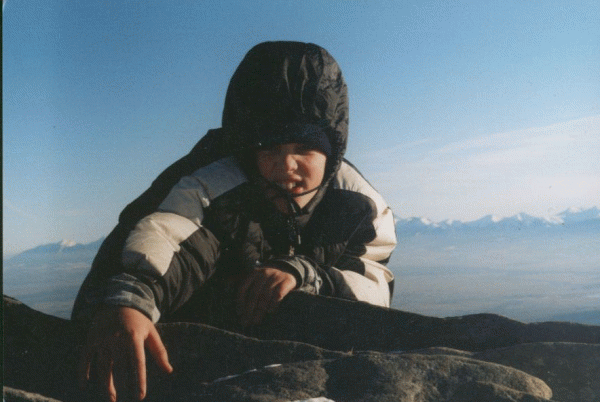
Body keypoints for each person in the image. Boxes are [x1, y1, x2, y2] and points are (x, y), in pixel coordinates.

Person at [72, 41, 397, 401]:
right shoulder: (210, 186)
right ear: (249, 148)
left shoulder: (358, 204)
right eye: (270, 148)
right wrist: (130, 301)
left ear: (332, 151)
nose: (287, 165)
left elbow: (373, 282)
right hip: (191, 340)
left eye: (304, 148)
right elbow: (168, 235)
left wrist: (306, 273)